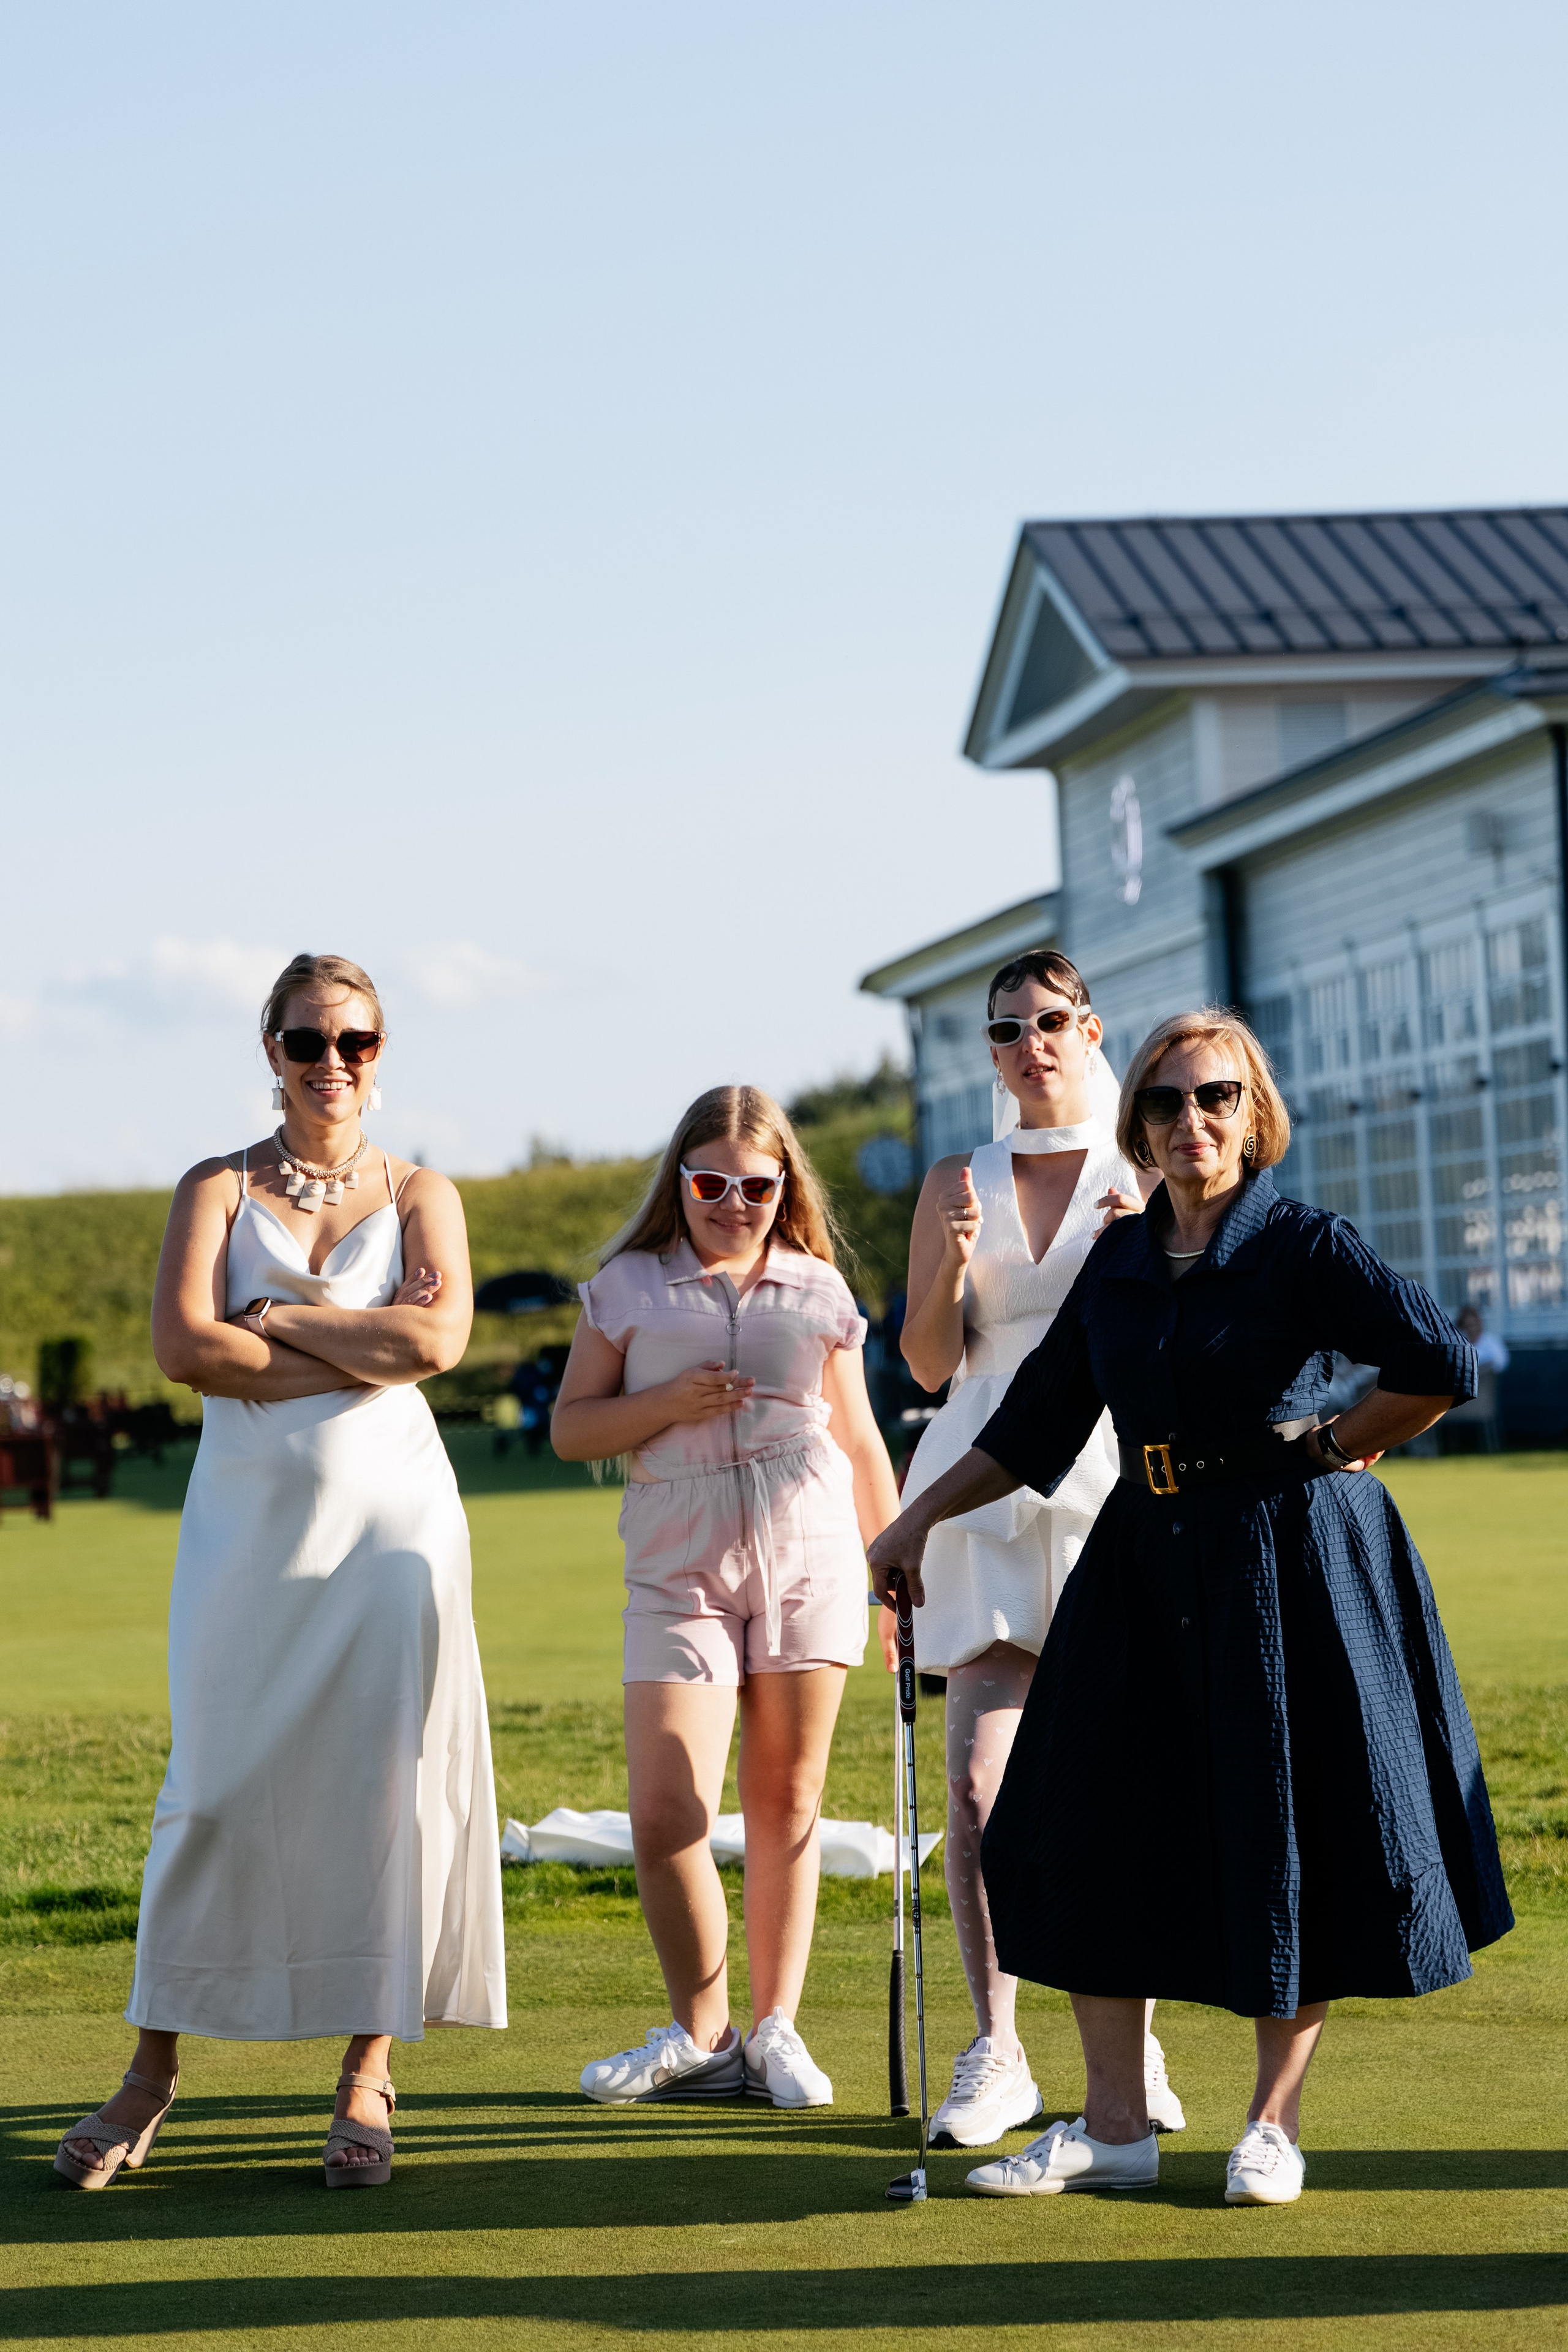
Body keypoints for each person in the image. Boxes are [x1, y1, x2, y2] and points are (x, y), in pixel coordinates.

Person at [870, 1005, 1512, 2207]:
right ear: (1138, 1123)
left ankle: (1270, 2124)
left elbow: (1438, 1362)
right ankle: (1114, 2128)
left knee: (1289, 1828)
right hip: (1142, 1556)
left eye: (1216, 1096)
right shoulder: (1115, 1262)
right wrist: (915, 1520)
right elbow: (1034, 1424)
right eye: (1165, 1102)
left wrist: (1337, 1441)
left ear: (1252, 1114)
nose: (1190, 1120)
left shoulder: (1303, 1245)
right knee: (1075, 1819)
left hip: (1291, 1560)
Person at [54, 953, 506, 2192]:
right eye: (307, 1041)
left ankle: (369, 2072)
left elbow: (438, 1340)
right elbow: (182, 1351)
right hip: (246, 1533)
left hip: (396, 1532)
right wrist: (362, 1345)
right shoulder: (216, 1186)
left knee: (386, 1789)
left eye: (354, 1041)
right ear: (272, 1049)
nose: (331, 1063)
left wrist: (277, 1322)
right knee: (210, 1786)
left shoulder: (423, 1192)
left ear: (380, 1051)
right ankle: (152, 2069)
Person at [551, 1085, 901, 2108]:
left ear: (785, 1186)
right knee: (667, 1812)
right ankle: (704, 2040)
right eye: (711, 1185)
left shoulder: (819, 1289)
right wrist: (667, 1403)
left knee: (788, 1802)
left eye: (757, 1186)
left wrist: (893, 1573)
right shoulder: (627, 1287)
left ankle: (776, 2029)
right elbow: (573, 1429)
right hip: (678, 1565)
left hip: (810, 1556)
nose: (734, 1204)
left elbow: (860, 1439)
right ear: (681, 1182)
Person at [895, 949, 1183, 2150]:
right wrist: (955, 1267)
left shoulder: (1148, 1166)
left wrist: (1142, 1255)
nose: (1030, 1046)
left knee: (1121, 1779)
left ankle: (1133, 2048)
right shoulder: (953, 1179)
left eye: (1051, 1022)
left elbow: (1192, 1341)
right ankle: (996, 2049)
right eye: (1006, 1029)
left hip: (1114, 1486)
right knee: (977, 1786)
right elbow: (926, 1362)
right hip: (981, 1480)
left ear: (1090, 1028)